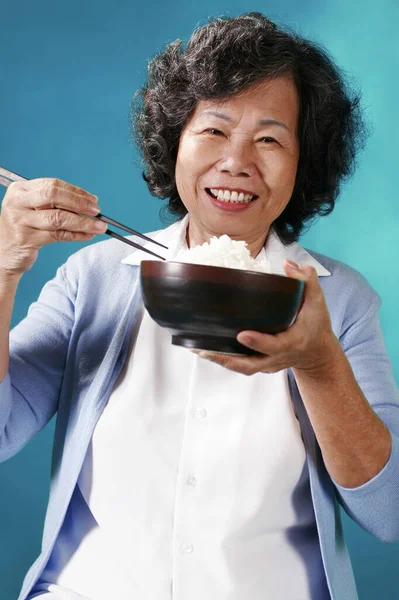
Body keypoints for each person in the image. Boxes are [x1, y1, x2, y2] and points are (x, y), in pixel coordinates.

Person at [0, 11, 398, 600]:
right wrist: (4, 264)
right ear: (174, 142)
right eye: (213, 130)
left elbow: (388, 514)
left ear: (304, 161)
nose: (236, 161)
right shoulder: (96, 277)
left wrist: (319, 363)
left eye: (269, 138)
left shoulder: (340, 298)